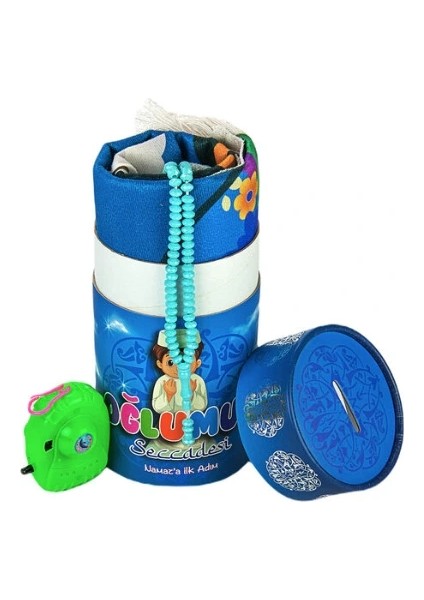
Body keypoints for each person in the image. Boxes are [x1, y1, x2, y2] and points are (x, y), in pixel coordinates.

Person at [151, 329, 208, 414]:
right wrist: (168, 395)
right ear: (160, 364)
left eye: (187, 361)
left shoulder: (197, 381)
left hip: (192, 420)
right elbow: (157, 407)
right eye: (170, 362)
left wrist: (192, 393)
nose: (179, 367)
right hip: (168, 420)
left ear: (197, 363)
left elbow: (202, 406)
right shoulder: (162, 381)